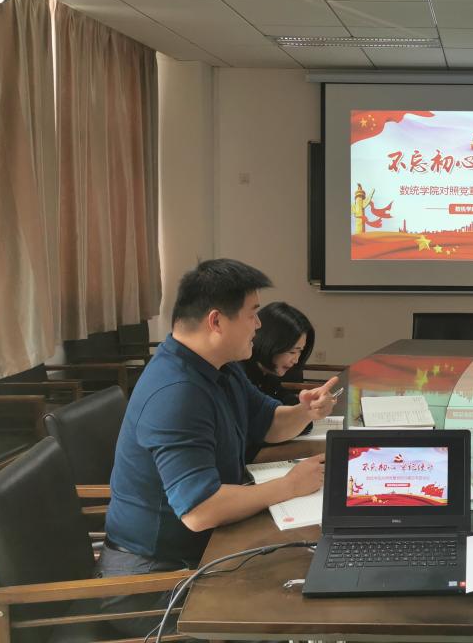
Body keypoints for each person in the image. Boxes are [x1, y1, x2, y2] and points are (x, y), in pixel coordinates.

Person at [98, 259, 338, 637]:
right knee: (293, 606)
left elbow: (270, 423)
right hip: (150, 579)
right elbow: (200, 510)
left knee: (305, 576)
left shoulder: (220, 367)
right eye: (252, 314)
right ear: (216, 321)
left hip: (200, 551)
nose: (258, 325)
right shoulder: (176, 392)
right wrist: (289, 485)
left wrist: (304, 411)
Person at [243, 301, 315, 406]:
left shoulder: (268, 374)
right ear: (270, 342)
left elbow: (284, 397)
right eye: (292, 352)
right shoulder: (241, 375)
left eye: (300, 351)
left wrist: (309, 402)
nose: (296, 360)